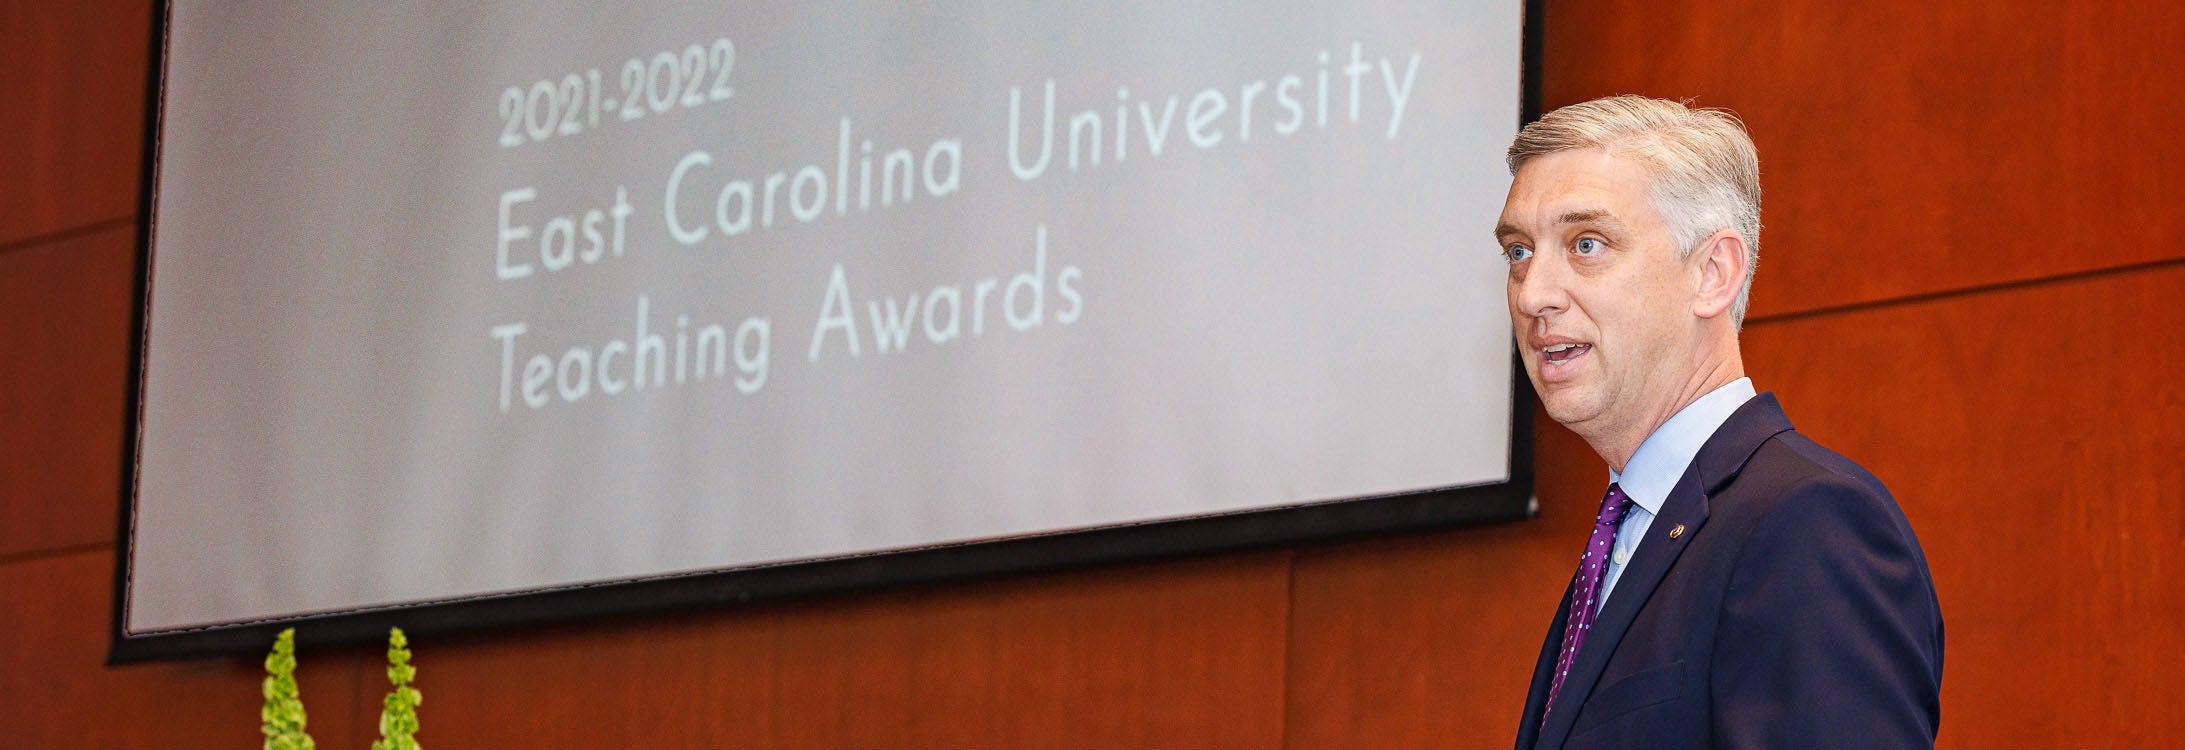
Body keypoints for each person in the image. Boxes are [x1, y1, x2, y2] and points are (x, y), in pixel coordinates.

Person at [1495, 96, 1943, 749]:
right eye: (1517, 252)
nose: (1532, 293)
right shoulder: (1633, 536)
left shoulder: (1804, 521)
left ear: (1712, 273)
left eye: (1585, 244)